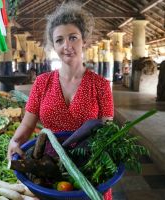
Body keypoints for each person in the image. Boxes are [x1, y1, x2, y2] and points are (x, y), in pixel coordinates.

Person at [7, 1, 114, 199]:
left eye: (73, 38)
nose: (67, 46)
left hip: (88, 170)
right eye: (59, 40)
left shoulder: (100, 85)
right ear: (53, 45)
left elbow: (107, 134)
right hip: (49, 169)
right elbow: (27, 125)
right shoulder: (42, 82)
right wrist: (14, 141)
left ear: (84, 41)